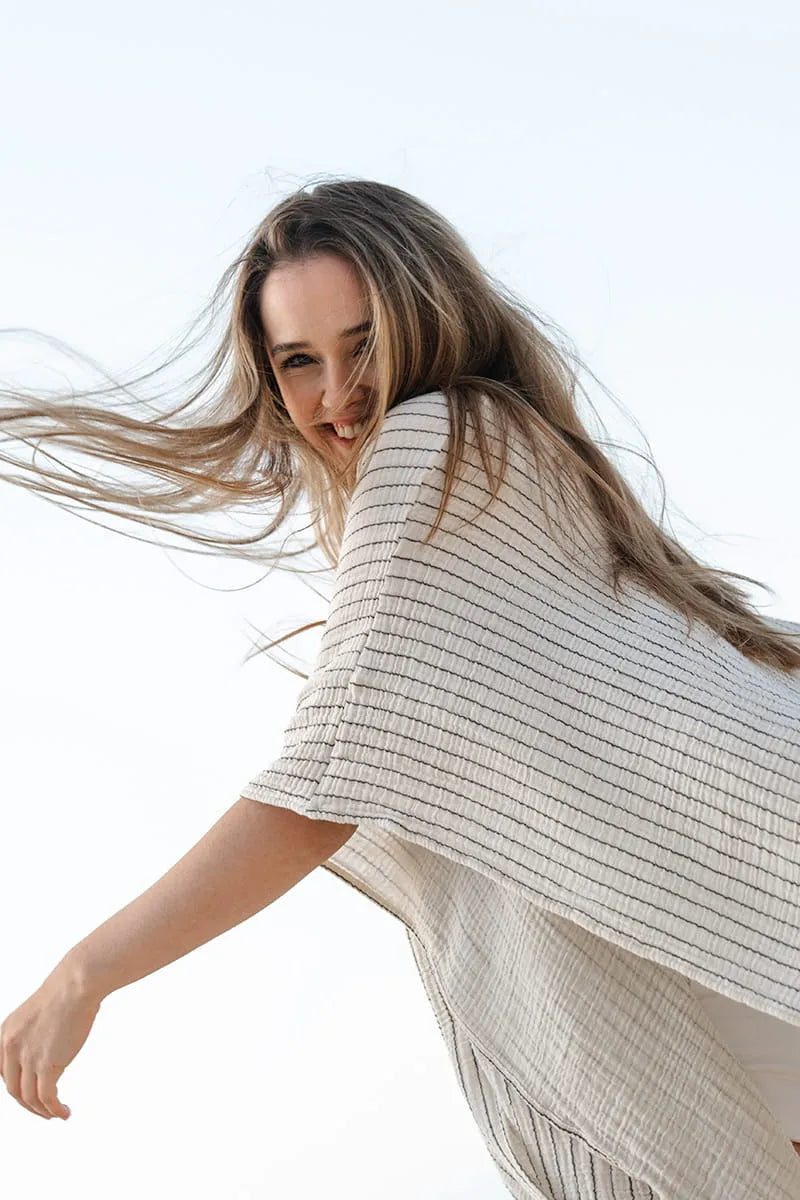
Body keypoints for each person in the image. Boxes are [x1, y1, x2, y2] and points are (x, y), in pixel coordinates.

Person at [1, 177, 799, 1200]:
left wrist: (88, 969)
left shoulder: (440, 447)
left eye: (363, 342)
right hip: (730, 924)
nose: (336, 395)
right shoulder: (513, 457)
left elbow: (325, 781)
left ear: (429, 319)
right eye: (298, 361)